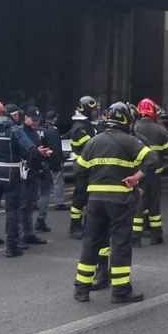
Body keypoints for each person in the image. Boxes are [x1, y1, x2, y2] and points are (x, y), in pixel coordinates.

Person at [73, 103, 157, 303]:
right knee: (119, 243)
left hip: (95, 200)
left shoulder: (93, 142)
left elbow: (78, 170)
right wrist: (136, 177)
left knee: (91, 243)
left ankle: (81, 289)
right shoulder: (130, 142)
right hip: (120, 200)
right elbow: (152, 159)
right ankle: (120, 291)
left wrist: (91, 187)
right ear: (128, 121)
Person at [0, 100, 50, 257]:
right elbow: (29, 149)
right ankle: (11, 247)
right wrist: (38, 152)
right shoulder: (14, 130)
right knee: (12, 211)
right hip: (10, 174)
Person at [132, 98, 168, 246]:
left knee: (139, 204)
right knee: (154, 204)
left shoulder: (134, 129)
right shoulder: (161, 130)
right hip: (156, 173)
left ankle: (135, 237)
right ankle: (156, 235)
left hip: (139, 174)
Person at [66, 95, 100, 239]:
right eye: (93, 110)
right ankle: (75, 227)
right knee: (80, 198)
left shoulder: (86, 125)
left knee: (87, 197)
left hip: (87, 167)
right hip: (82, 168)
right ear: (86, 110)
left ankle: (86, 225)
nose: (95, 112)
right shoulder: (80, 128)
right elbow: (91, 146)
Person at [15, 108, 50, 248]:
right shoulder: (19, 132)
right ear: (26, 118)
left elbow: (36, 150)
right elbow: (23, 151)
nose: (36, 122)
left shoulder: (34, 132)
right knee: (22, 205)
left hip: (34, 171)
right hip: (24, 172)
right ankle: (19, 235)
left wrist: (43, 157)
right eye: (33, 119)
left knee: (30, 205)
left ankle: (28, 233)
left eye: (37, 120)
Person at [38, 110, 64, 230]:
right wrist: (57, 166)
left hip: (37, 164)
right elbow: (55, 150)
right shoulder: (53, 131)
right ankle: (41, 218)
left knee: (39, 189)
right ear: (54, 119)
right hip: (48, 163)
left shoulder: (39, 129)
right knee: (48, 190)